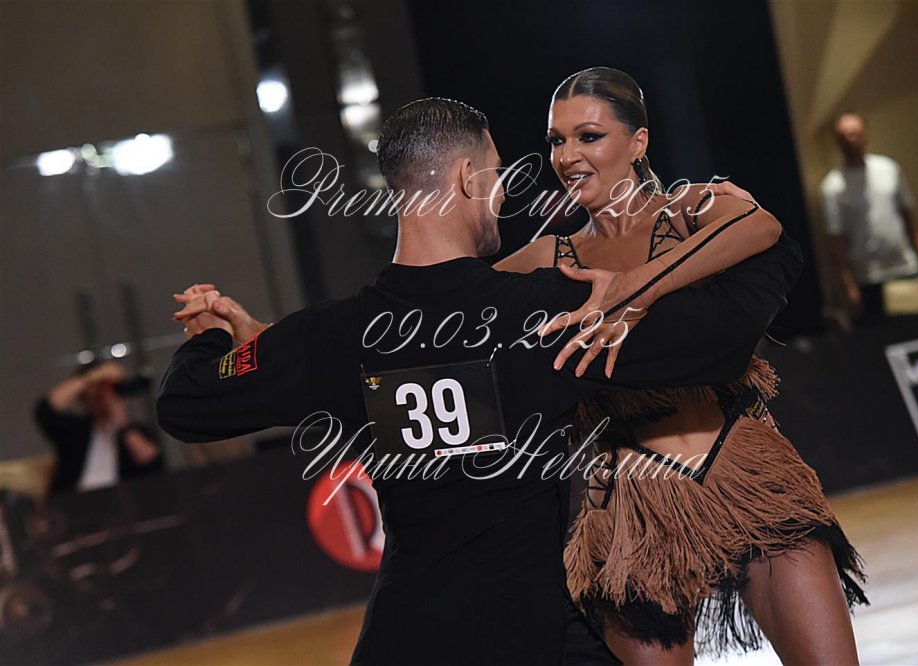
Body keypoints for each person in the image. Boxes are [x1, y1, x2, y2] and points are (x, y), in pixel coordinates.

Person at [158, 97, 800, 665]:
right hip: (538, 635)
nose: (502, 193)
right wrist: (749, 236)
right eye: (495, 174)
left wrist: (216, 336)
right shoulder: (543, 312)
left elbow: (186, 403)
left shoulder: (333, 337)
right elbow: (722, 337)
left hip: (406, 638)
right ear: (468, 177)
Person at [495, 68, 867, 664]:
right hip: (630, 504)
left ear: (638, 142)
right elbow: (451, 303)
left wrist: (633, 288)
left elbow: (762, 226)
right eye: (556, 141)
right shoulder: (549, 255)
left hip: (747, 474)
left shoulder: (694, 206)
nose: (567, 157)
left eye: (589, 136)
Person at [822, 111, 918, 322]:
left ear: (865, 134)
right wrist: (847, 283)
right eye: (845, 135)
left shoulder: (888, 169)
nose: (851, 139)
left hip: (905, 265)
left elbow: (908, 216)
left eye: (855, 133)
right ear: (838, 141)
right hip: (868, 277)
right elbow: (836, 241)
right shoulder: (832, 187)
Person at [34, 361, 163, 494]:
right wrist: (93, 377)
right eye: (97, 395)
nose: (105, 398)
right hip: (74, 500)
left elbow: (153, 464)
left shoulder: (136, 431)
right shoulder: (75, 429)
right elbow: (46, 410)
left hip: (118, 501)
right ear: (84, 400)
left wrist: (121, 423)